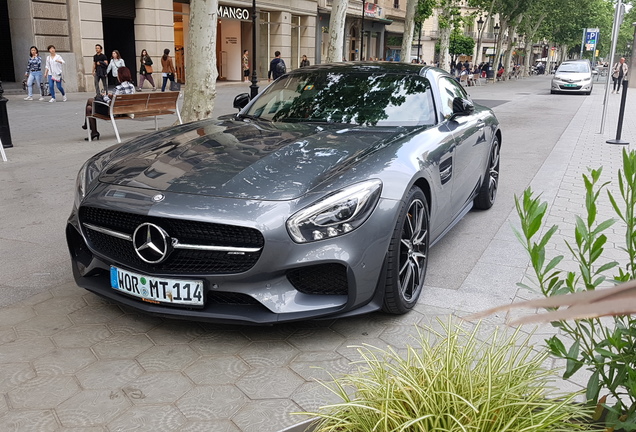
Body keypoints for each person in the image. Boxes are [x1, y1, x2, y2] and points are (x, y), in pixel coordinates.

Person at [82, 66, 135, 141]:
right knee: (89, 107)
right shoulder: (132, 86)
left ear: (120, 76)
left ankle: (89, 127)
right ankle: (92, 130)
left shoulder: (118, 88)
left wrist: (105, 96)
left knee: (90, 103)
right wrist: (111, 96)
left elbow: (110, 103)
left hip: (114, 112)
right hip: (125, 109)